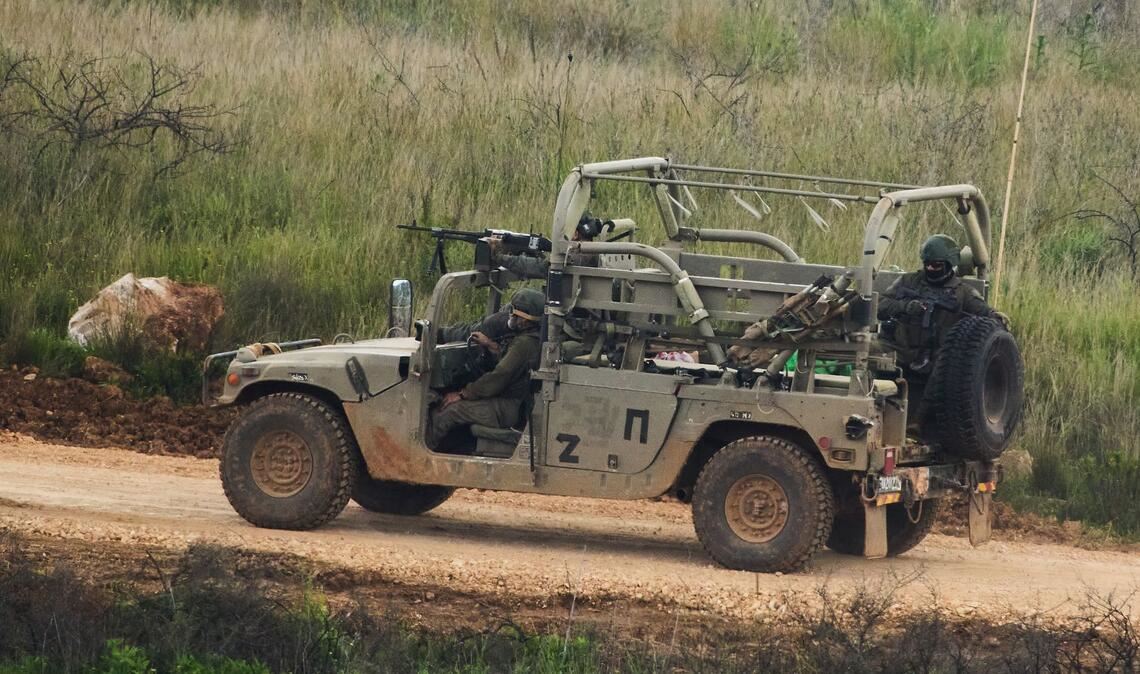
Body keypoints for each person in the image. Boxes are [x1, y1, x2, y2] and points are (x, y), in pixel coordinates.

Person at [877, 234, 1009, 435]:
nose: (930, 269)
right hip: (902, 348)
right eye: (927, 264)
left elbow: (983, 312)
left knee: (945, 368)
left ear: (949, 265)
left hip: (938, 353)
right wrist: (905, 306)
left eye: (936, 265)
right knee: (869, 351)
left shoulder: (961, 292)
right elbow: (881, 306)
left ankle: (917, 421)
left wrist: (996, 317)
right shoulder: (908, 282)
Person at [425, 288, 544, 450]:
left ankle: (418, 459)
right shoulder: (532, 340)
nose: (511, 317)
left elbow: (499, 376)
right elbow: (513, 366)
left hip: (507, 407)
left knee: (446, 412)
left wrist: (463, 394)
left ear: (526, 320)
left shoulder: (524, 344)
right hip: (515, 404)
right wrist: (491, 346)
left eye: (515, 314)